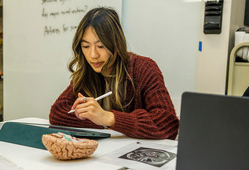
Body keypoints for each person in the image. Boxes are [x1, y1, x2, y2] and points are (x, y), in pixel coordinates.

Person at [49, 7, 179, 139]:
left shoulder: (144, 68)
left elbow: (168, 125)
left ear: (116, 43)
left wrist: (108, 118)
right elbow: (57, 114)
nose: (93, 55)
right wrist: (97, 120)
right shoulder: (87, 72)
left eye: (101, 46)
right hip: (102, 154)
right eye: (86, 46)